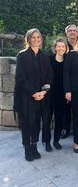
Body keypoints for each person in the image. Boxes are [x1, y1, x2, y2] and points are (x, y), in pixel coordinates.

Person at [14, 28, 53, 161]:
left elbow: (49, 76)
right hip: (27, 97)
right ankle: (27, 148)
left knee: (36, 122)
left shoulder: (44, 56)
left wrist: (44, 91)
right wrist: (34, 92)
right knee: (27, 123)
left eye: (38, 37)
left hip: (42, 97)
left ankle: (34, 146)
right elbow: (20, 77)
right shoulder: (22, 55)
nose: (36, 40)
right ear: (28, 39)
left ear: (41, 40)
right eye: (33, 37)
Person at [49, 38, 69, 150]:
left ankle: (56, 140)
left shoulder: (68, 60)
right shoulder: (49, 59)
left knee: (59, 119)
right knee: (47, 119)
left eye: (63, 46)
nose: (61, 48)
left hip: (62, 94)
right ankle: (46, 141)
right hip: (50, 94)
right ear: (55, 47)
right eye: (59, 46)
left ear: (65, 48)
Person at [62, 24, 78, 139]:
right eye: (70, 31)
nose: (72, 32)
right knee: (65, 107)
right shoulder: (63, 46)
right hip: (65, 80)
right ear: (66, 33)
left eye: (74, 30)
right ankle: (66, 128)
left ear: (77, 33)